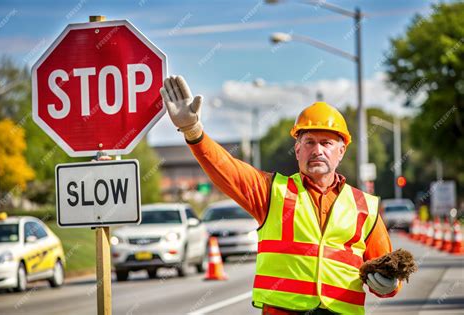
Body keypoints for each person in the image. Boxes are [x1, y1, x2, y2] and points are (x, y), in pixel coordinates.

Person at [160, 75, 401, 315]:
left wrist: (389, 285)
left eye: (326, 143)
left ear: (341, 151)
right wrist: (193, 130)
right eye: (309, 142)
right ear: (297, 150)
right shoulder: (272, 191)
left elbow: (387, 270)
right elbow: (227, 168)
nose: (317, 150)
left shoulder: (364, 207)